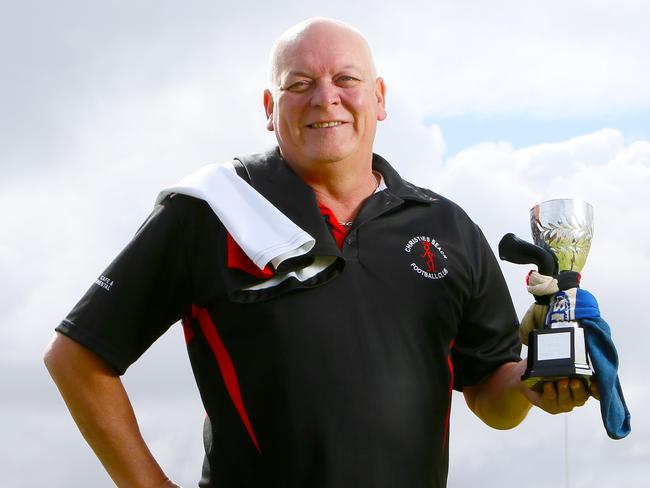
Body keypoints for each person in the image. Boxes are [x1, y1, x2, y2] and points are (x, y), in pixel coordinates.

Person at [44, 17, 597, 488]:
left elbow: (490, 397)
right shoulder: (208, 210)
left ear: (379, 99)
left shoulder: (448, 226)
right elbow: (76, 357)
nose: (324, 97)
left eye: (346, 79)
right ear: (269, 106)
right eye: (299, 83)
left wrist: (532, 381)